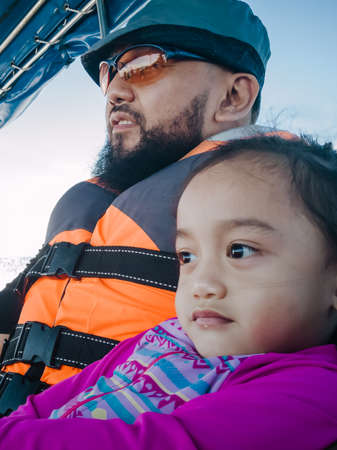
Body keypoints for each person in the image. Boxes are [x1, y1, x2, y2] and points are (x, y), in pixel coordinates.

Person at [0, 0, 272, 413]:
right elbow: (24, 301)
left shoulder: (293, 205)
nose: (114, 91)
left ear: (234, 97)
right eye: (110, 72)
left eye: (141, 64)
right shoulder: (90, 203)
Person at [1, 135, 337, 449]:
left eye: (239, 251)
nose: (201, 284)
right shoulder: (166, 335)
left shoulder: (315, 389)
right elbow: (53, 401)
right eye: (187, 256)